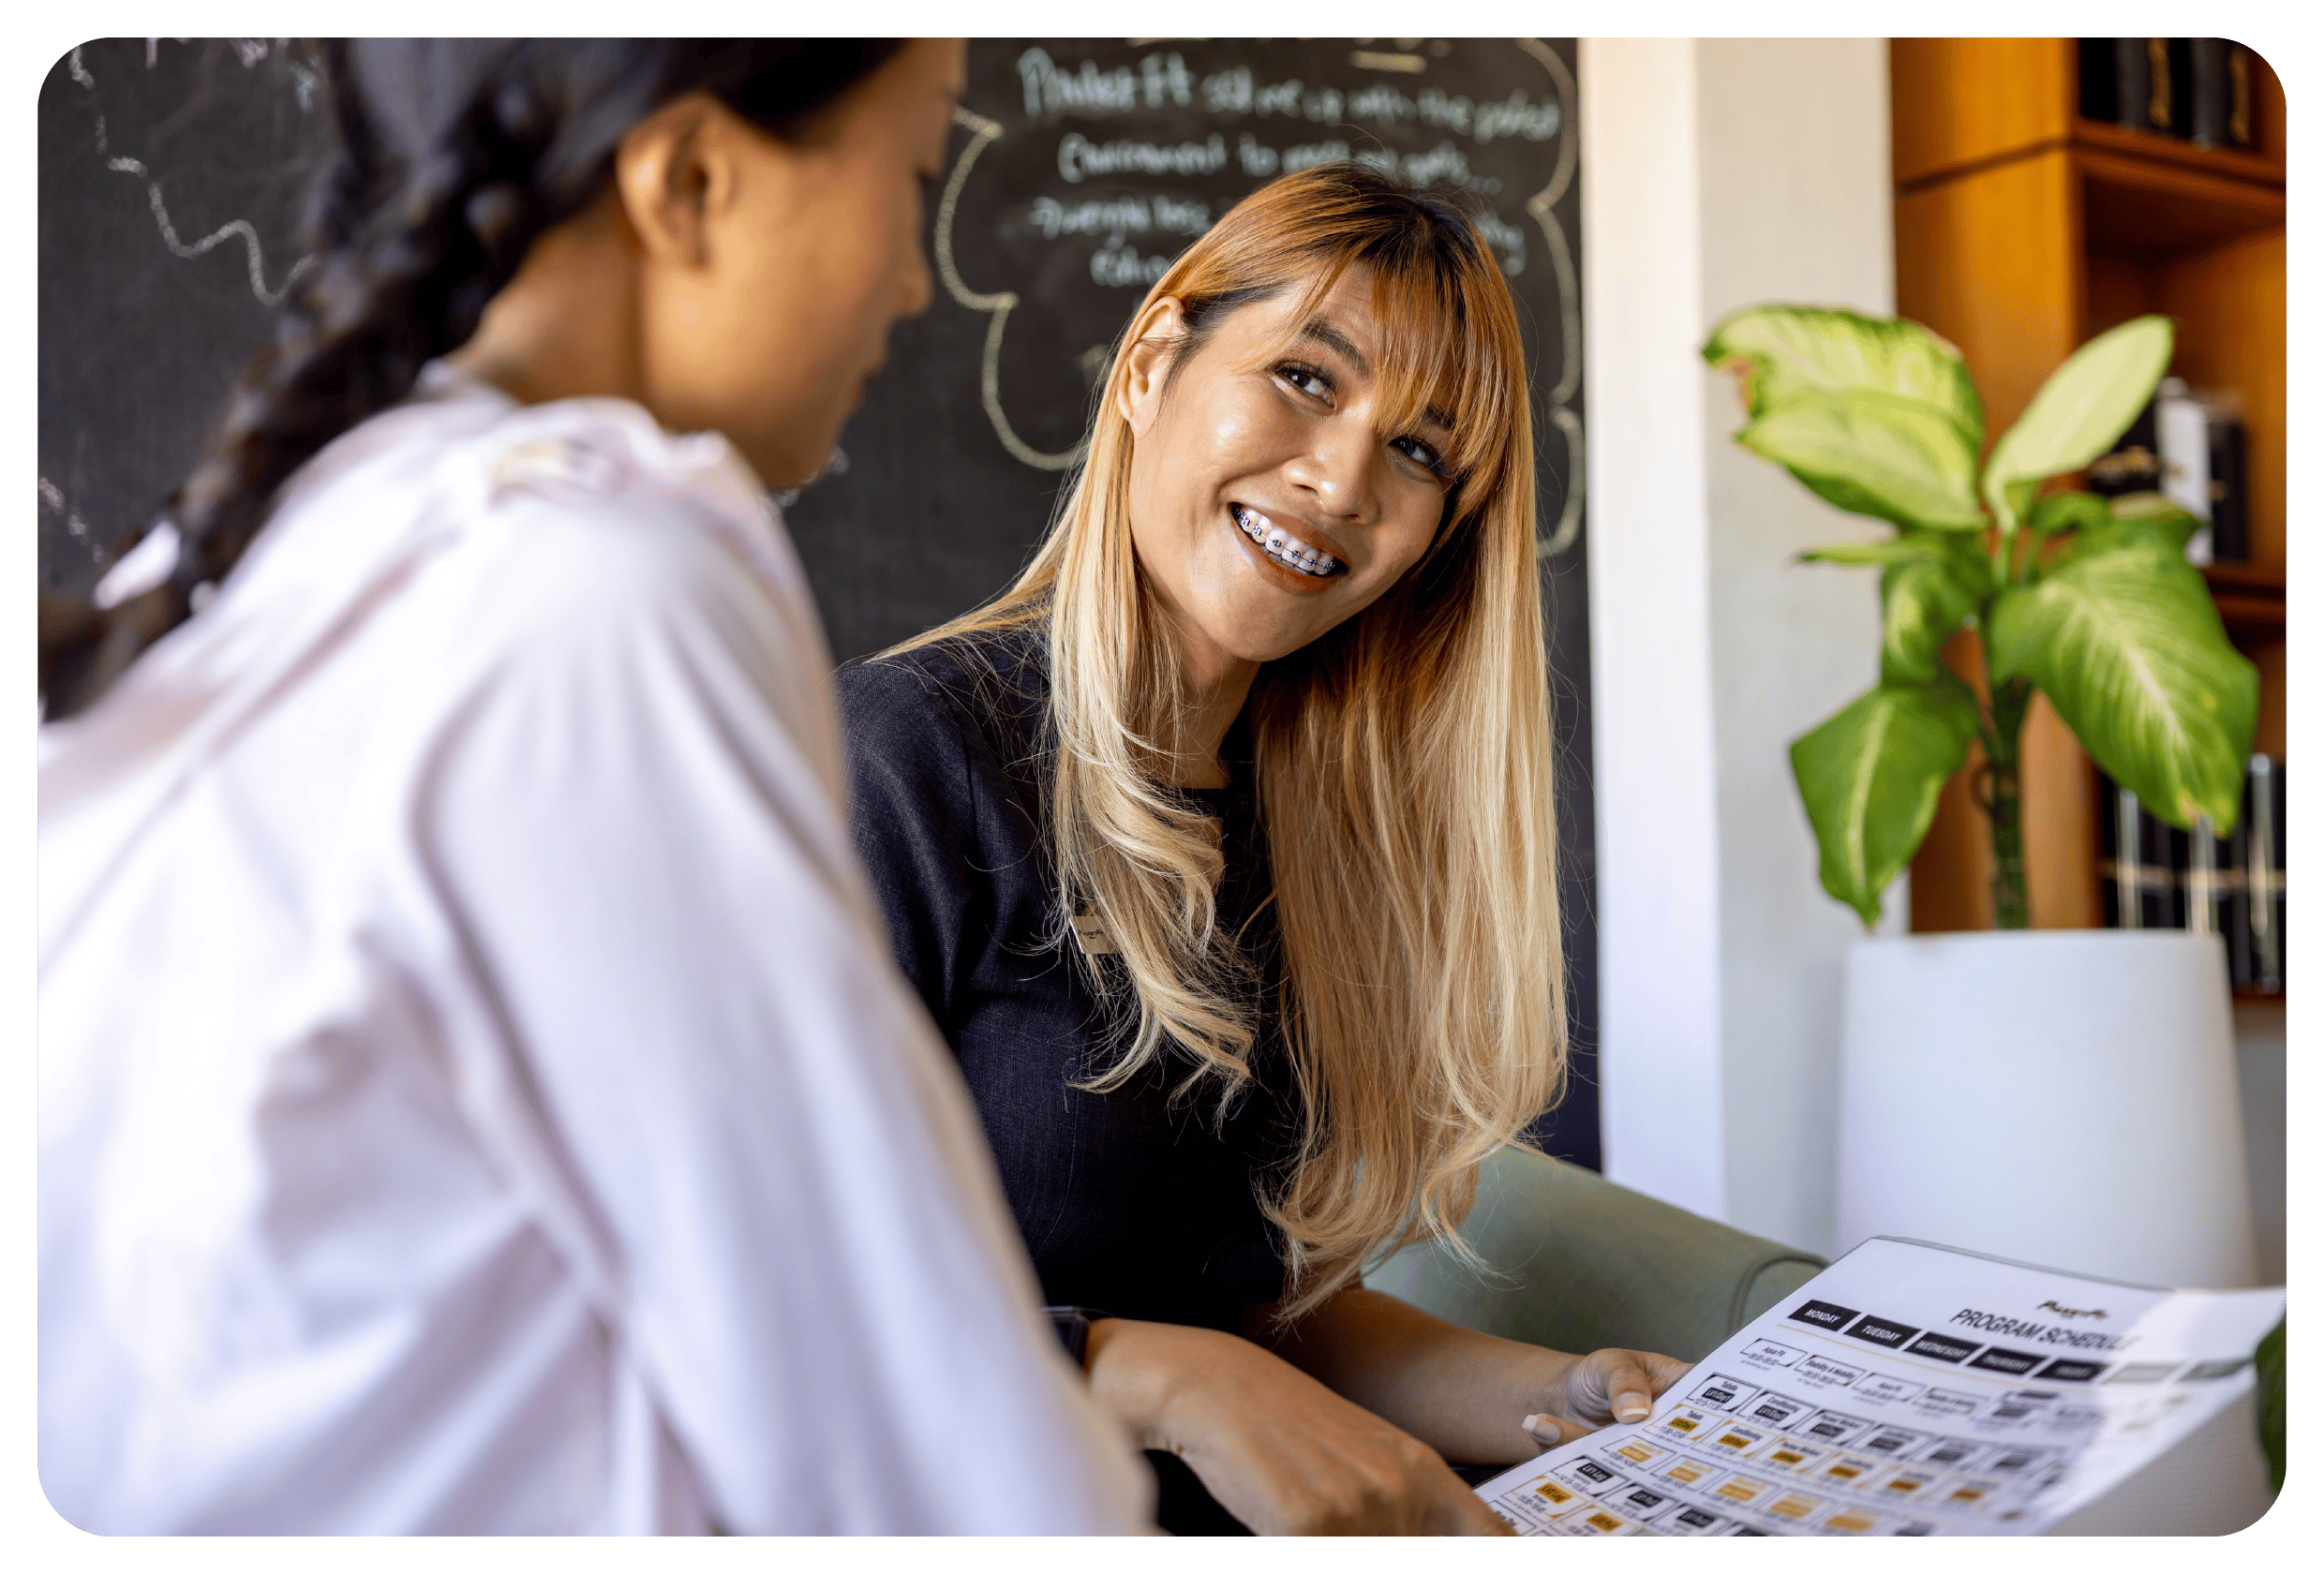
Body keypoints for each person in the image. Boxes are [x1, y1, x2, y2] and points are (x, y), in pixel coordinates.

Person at [37, 38, 1149, 1535]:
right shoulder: (592, 587)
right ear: (689, 183)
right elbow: (932, 1469)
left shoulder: (247, 555)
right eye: (914, 177)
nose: (915, 282)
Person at [838, 163, 1690, 1537]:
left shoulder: (1309, 845)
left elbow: (1247, 1315)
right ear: (1154, 363)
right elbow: (757, 1292)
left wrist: (1577, 1392)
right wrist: (1166, 1380)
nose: (1344, 476)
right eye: (1306, 376)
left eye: (1421, 453)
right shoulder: (904, 757)